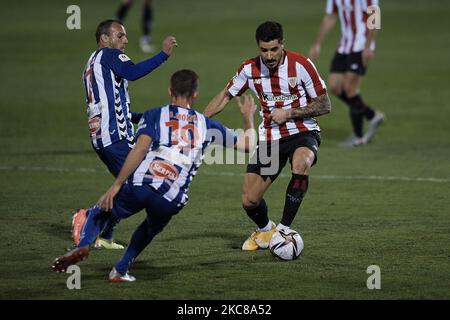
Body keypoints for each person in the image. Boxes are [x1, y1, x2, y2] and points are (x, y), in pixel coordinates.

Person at [52, 69, 257, 282]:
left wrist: (117, 185)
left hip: (142, 183)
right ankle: (120, 270)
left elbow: (139, 150)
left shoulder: (155, 114)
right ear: (195, 94)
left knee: (100, 210)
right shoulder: (207, 124)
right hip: (172, 196)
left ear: (170, 90)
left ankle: (83, 245)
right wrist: (248, 118)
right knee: (151, 227)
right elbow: (248, 145)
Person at [204, 21, 331, 251]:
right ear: (258, 47)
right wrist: (198, 121)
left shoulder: (301, 65)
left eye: (274, 49)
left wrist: (290, 113)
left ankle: (284, 230)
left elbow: (324, 104)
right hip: (271, 138)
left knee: (301, 163)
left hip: (302, 131)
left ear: (282, 44)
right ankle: (265, 230)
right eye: (264, 50)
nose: (269, 55)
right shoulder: (249, 69)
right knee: (249, 200)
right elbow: (225, 95)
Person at [76, 19, 177, 249]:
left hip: (105, 137)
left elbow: (110, 106)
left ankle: (105, 234)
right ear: (105, 39)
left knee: (127, 186)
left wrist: (143, 117)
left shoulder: (92, 63)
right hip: (115, 137)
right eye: (120, 36)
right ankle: (90, 217)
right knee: (142, 185)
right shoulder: (109, 56)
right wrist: (163, 55)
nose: (125, 40)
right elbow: (132, 72)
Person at [308, 0, 384, 147]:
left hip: (361, 45)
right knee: (335, 87)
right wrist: (317, 44)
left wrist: (368, 47)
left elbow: (374, 14)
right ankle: (372, 115)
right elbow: (330, 17)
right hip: (344, 45)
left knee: (350, 89)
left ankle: (358, 136)